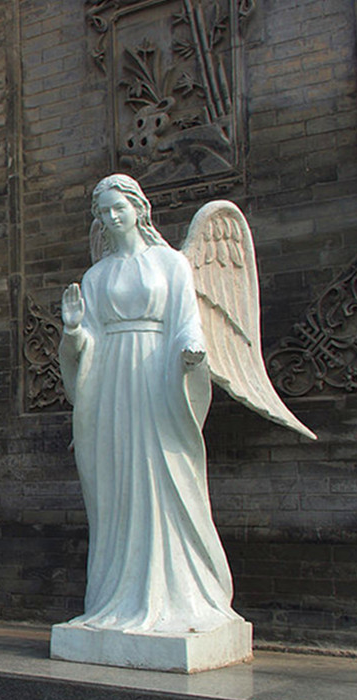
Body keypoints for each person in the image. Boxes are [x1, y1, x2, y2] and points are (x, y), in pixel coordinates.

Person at [57, 174, 243, 634]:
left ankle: (181, 591)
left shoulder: (172, 263)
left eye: (119, 207)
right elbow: (89, 340)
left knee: (166, 473)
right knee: (119, 482)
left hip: (158, 376)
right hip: (112, 384)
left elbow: (185, 319)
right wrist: (75, 331)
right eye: (103, 212)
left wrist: (191, 350)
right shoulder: (96, 277)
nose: (111, 217)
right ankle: (119, 594)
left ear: (139, 209)